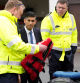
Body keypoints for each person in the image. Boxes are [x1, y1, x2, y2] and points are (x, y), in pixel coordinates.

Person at [0, 0, 47, 83]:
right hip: (7, 72)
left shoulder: (8, 22)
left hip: (10, 71)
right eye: (20, 14)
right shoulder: (4, 22)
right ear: (15, 9)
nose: (19, 17)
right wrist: (38, 48)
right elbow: (17, 45)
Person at [41, 0, 77, 80]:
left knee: (69, 77)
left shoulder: (71, 17)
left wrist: (74, 47)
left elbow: (74, 33)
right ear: (56, 7)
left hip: (68, 54)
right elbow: (44, 36)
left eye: (63, 8)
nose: (60, 9)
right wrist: (48, 52)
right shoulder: (49, 18)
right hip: (54, 53)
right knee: (55, 77)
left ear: (67, 8)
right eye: (59, 7)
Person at [20, 11, 42, 83]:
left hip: (35, 65)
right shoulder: (19, 33)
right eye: (28, 20)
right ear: (24, 21)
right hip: (23, 65)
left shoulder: (38, 31)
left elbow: (40, 47)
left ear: (35, 22)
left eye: (32, 21)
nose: (30, 23)